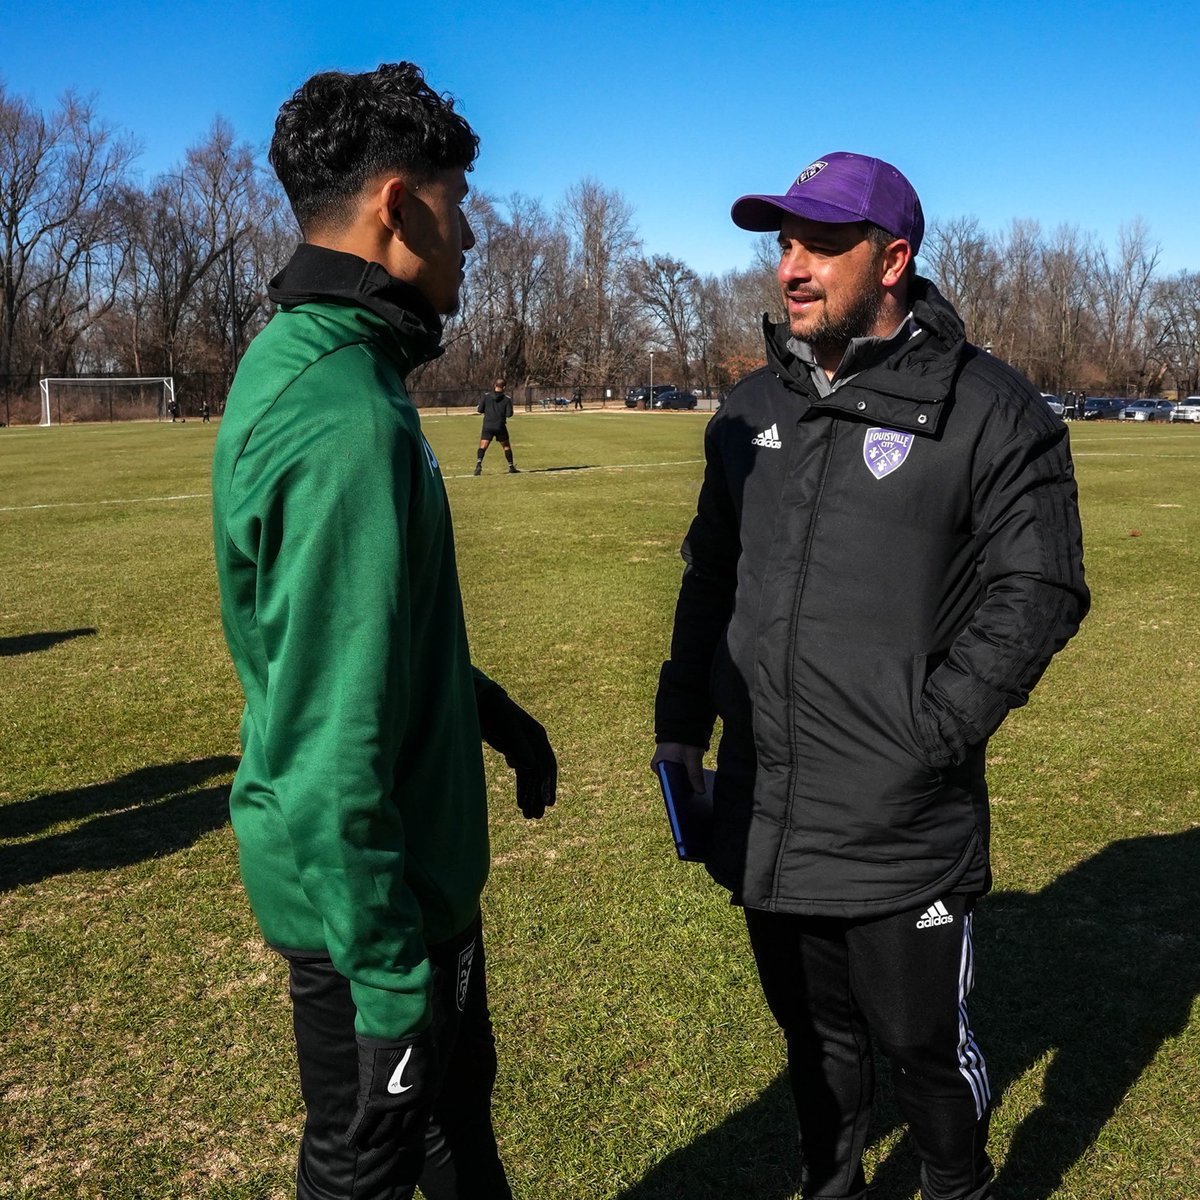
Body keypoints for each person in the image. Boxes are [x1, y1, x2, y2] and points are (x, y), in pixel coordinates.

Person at [653, 152, 1088, 1200]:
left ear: (893, 259)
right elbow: (711, 575)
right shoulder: (749, 411)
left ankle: (957, 1182)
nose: (790, 267)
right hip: (765, 808)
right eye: (783, 244)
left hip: (902, 829)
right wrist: (681, 724)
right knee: (815, 1049)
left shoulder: (993, 411)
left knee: (923, 1050)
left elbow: (1042, 589)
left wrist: (930, 733)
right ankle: (830, 1185)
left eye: (819, 244)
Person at [211, 63, 558, 1200]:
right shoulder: (341, 415)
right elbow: (326, 749)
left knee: (457, 1142)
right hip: (380, 912)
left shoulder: (327, 360)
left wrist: (485, 711)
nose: (470, 239)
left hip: (407, 888)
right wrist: (393, 987)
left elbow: (372, 642)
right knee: (368, 1163)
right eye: (460, 208)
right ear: (399, 205)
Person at [475, 379, 518, 474]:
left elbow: (480, 410)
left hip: (488, 425)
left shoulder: (486, 396)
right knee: (506, 446)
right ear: (504, 387)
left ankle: (478, 464)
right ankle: (511, 466)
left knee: (483, 446)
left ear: (494, 385)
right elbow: (509, 414)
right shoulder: (507, 399)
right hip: (500, 426)